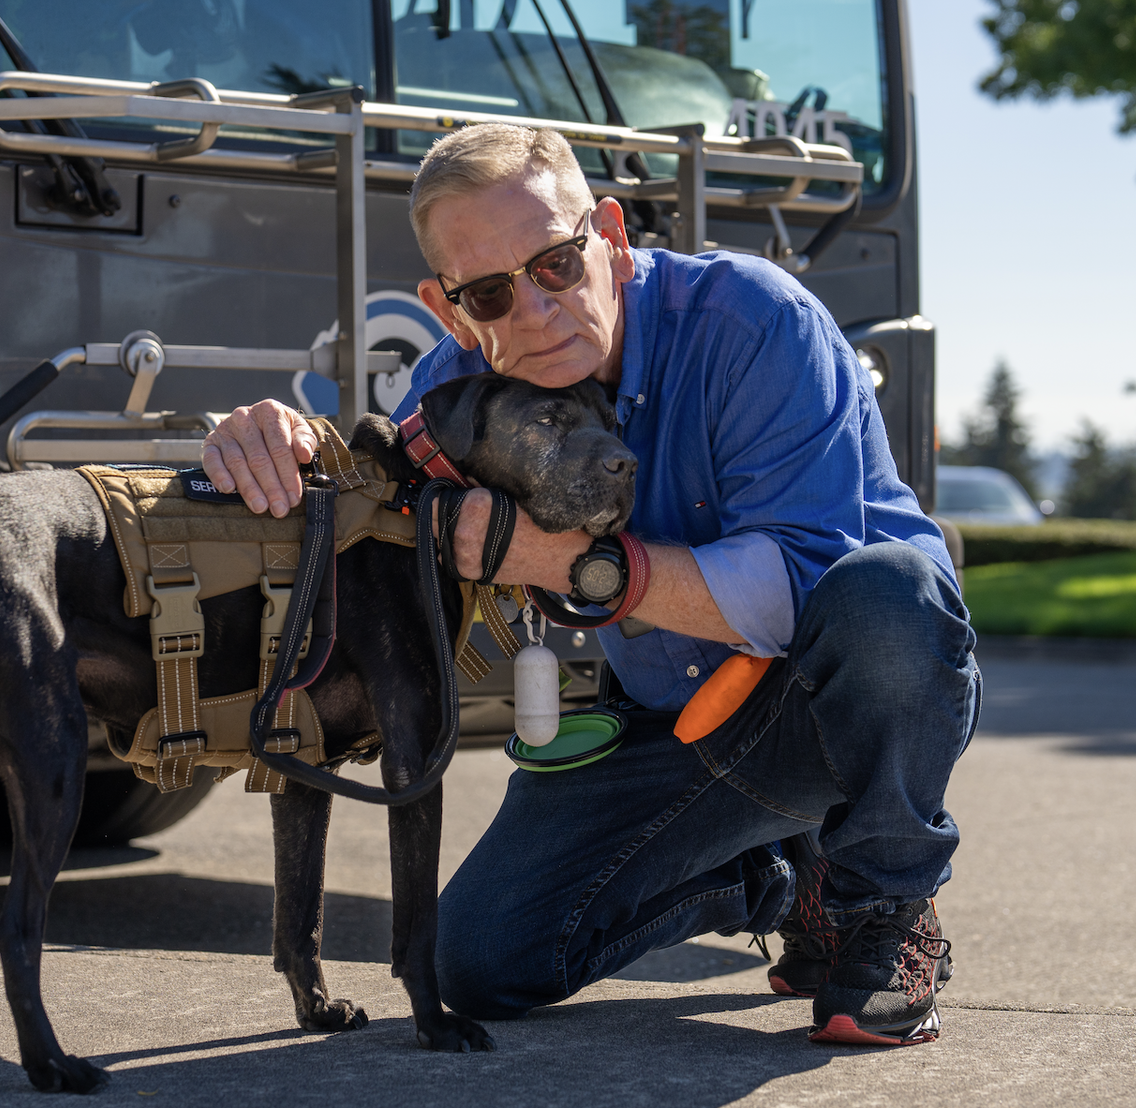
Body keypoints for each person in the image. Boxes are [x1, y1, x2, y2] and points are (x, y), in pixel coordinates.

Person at [201, 123, 977, 1046]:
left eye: (557, 263)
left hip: (833, 701)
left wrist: (568, 566)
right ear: (450, 310)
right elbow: (363, 481)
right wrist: (263, 440)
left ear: (608, 233)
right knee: (476, 962)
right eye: (489, 291)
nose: (532, 310)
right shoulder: (456, 386)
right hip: (668, 719)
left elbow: (795, 591)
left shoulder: (754, 320)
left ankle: (883, 901)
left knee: (888, 594)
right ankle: (779, 874)